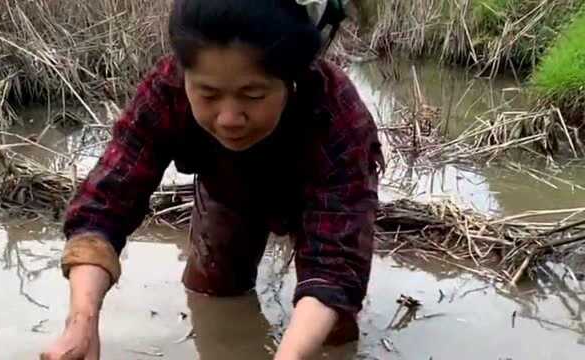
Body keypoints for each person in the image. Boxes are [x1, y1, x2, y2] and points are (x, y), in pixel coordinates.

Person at [41, 0, 383, 359]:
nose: (229, 118)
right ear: (183, 74)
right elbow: (103, 207)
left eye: (253, 95)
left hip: (318, 199)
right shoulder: (165, 93)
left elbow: (334, 269)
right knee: (212, 291)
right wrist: (81, 323)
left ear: (292, 78)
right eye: (208, 95)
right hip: (229, 189)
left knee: (336, 330)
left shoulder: (337, 116)